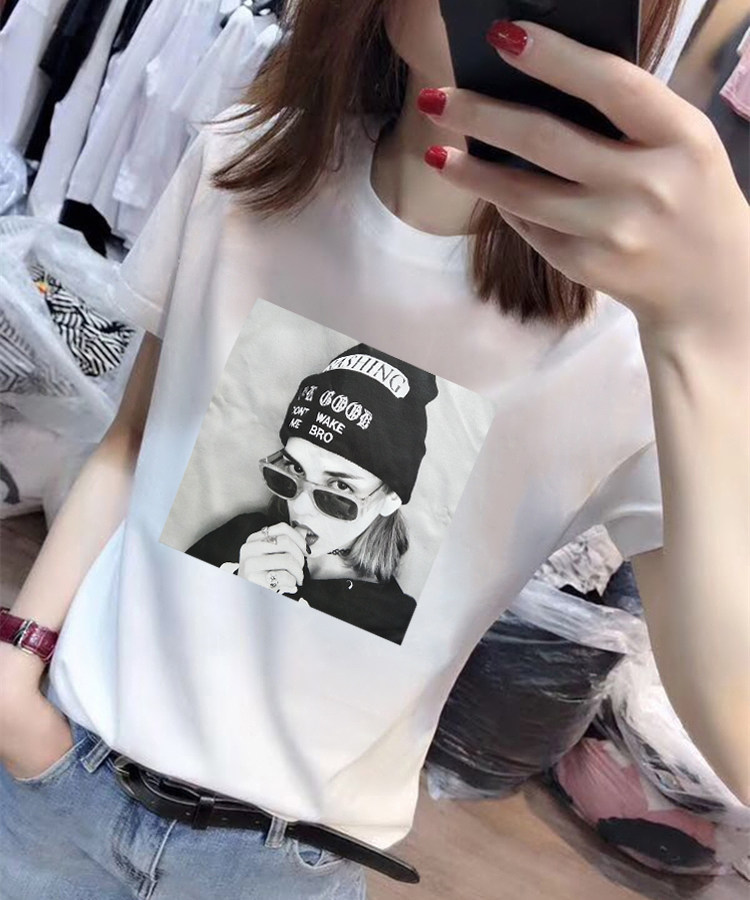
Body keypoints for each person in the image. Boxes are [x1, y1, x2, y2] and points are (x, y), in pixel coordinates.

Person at [2, 1, 748, 899]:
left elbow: (732, 713)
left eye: (338, 495)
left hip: (275, 867)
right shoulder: (241, 162)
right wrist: (16, 664)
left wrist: (714, 328)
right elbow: (130, 443)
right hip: (58, 775)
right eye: (288, 474)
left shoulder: (626, 339)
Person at [185, 342, 440, 644]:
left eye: (340, 488)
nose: (300, 507)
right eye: (295, 470)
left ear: (391, 498)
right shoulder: (240, 536)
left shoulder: (394, 626)